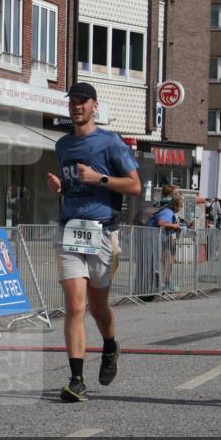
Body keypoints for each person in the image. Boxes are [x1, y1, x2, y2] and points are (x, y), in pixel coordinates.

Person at [46, 82, 141, 402]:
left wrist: (98, 178)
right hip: (69, 231)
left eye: (83, 102)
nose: (77, 106)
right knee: (74, 305)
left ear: (94, 106)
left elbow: (134, 186)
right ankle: (76, 379)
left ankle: (111, 345)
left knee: (99, 308)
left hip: (103, 233)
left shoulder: (110, 143)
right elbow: (74, 184)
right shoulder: (62, 146)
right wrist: (62, 186)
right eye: (73, 101)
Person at [151, 193, 184, 291]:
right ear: (176, 205)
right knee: (167, 262)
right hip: (158, 239)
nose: (181, 208)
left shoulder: (168, 211)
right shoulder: (168, 212)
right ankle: (163, 284)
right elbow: (161, 223)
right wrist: (174, 226)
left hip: (162, 239)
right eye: (181, 206)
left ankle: (165, 283)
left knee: (168, 261)